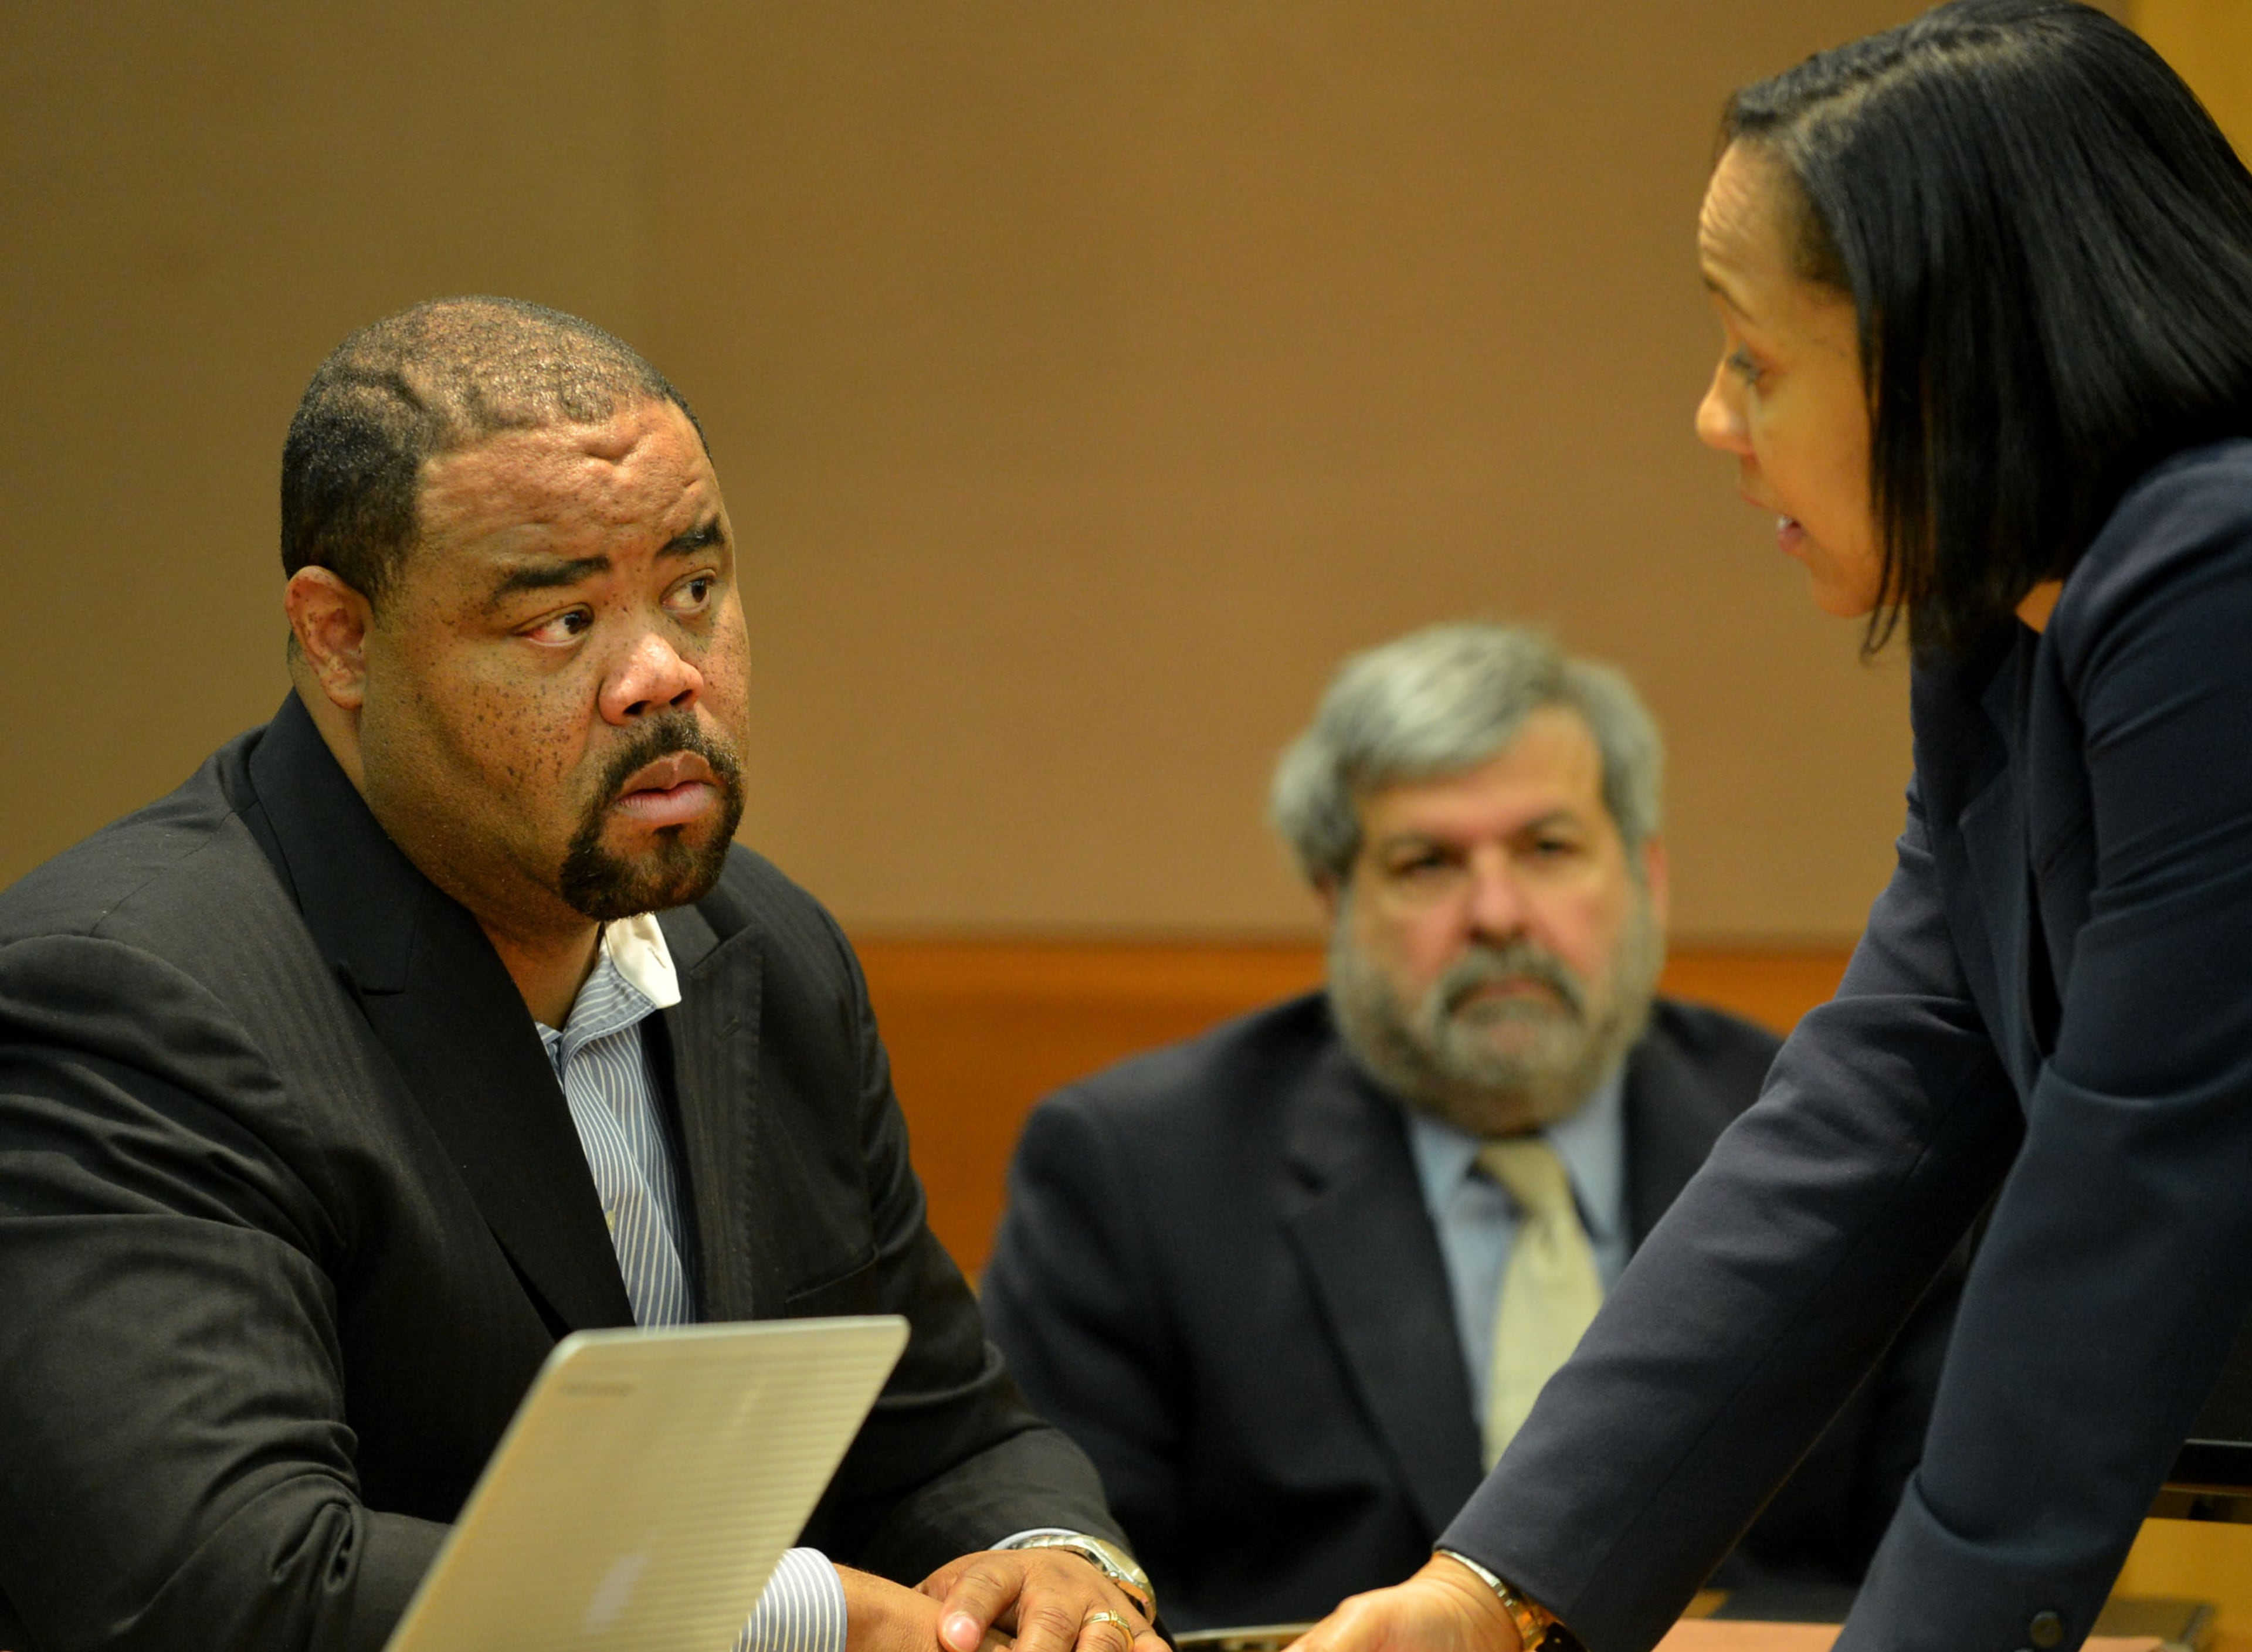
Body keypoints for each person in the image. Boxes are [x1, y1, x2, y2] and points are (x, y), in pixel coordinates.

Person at [1288, 5, 2252, 1651]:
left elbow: (2131, 1180)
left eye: (1754, 359)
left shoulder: (2216, 571)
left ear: (1952, 365)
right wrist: (1494, 1591)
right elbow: (1873, 1107)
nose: (1713, 418)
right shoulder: (2004, 626)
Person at [0, 297, 1161, 1652]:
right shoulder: (128, 998)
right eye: (562, 620)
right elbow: (224, 1583)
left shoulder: (768, 951)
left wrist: (1047, 1561)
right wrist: (797, 1614)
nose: (662, 674)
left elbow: (945, 1437)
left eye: (694, 591)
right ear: (340, 639)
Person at [981, 622, 1960, 1630]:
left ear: (1647, 878)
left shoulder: (1855, 1146)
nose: (1498, 913)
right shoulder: (1136, 1171)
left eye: (1548, 848)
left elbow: (1947, 1563)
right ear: (1336, 902)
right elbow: (1089, 1593)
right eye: (1427, 864)